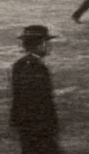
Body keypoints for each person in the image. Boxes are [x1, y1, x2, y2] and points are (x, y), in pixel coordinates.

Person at [11, 25, 61, 154]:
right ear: (40, 44)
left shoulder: (21, 65)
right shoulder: (35, 67)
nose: (50, 46)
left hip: (28, 125)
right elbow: (37, 100)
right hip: (38, 126)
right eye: (47, 42)